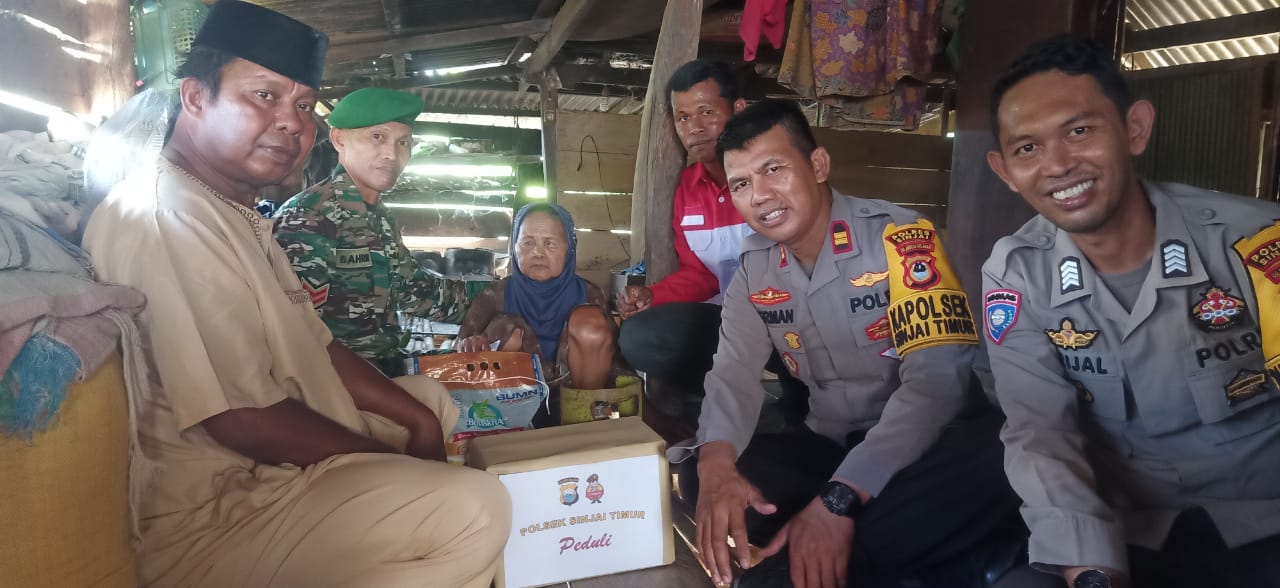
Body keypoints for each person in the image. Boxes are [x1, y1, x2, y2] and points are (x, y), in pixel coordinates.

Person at [80, 2, 510, 586]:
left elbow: (318, 339)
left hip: (287, 440)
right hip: (224, 507)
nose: (291, 121)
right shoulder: (170, 216)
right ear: (196, 98)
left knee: (430, 405)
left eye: (303, 104)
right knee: (476, 508)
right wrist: (386, 458)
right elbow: (241, 421)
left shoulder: (235, 210)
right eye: (264, 95)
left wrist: (417, 422)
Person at [674, 99, 1022, 588]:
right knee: (706, 473)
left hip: (926, 449)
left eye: (773, 169)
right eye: (741, 184)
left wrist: (839, 497)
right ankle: (898, 549)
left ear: (817, 165)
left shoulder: (902, 239)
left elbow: (935, 386)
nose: (761, 195)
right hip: (831, 448)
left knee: (1002, 451)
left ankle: (828, 549)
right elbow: (733, 372)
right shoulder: (754, 267)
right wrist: (715, 463)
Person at [981, 35, 1280, 588]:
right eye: (1028, 149)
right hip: (1124, 535)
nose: (1059, 165)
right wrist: (1091, 570)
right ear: (1005, 170)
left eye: (1079, 130)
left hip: (1263, 526)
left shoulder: (1256, 245)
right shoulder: (1018, 272)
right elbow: (1040, 433)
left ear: (1134, 129)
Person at [616, 59, 807, 422]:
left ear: (737, 110)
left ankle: (800, 404)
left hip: (790, 320)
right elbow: (700, 274)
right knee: (641, 336)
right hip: (726, 324)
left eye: (706, 111)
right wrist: (653, 296)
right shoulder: (688, 190)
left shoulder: (772, 179)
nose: (695, 128)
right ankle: (723, 400)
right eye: (683, 117)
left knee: (808, 417)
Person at [274, 87, 468, 375]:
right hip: (336, 384)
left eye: (403, 142)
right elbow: (296, 338)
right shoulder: (307, 218)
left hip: (384, 370)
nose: (392, 154)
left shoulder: (380, 217)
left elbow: (415, 292)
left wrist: (494, 297)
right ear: (339, 139)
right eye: (378, 137)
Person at [456, 202, 615, 392]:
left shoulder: (589, 294)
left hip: (574, 392)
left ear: (569, 247)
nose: (538, 253)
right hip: (510, 397)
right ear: (514, 247)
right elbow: (461, 346)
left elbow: (612, 353)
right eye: (528, 243)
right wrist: (472, 345)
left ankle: (585, 414)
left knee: (590, 322)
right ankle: (511, 415)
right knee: (506, 328)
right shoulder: (494, 295)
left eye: (549, 243)